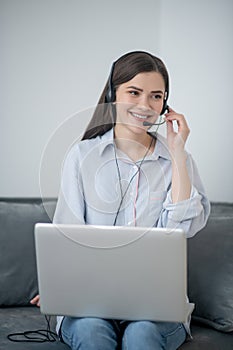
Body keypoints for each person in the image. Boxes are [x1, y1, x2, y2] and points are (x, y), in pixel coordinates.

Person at [31, 50, 210, 349]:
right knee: (90, 331)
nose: (145, 105)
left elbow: (183, 229)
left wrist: (177, 153)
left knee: (142, 335)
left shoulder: (178, 161)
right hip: (88, 301)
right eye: (134, 92)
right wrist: (59, 285)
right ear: (114, 94)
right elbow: (68, 234)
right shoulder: (82, 156)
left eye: (156, 96)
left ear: (165, 104)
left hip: (155, 304)